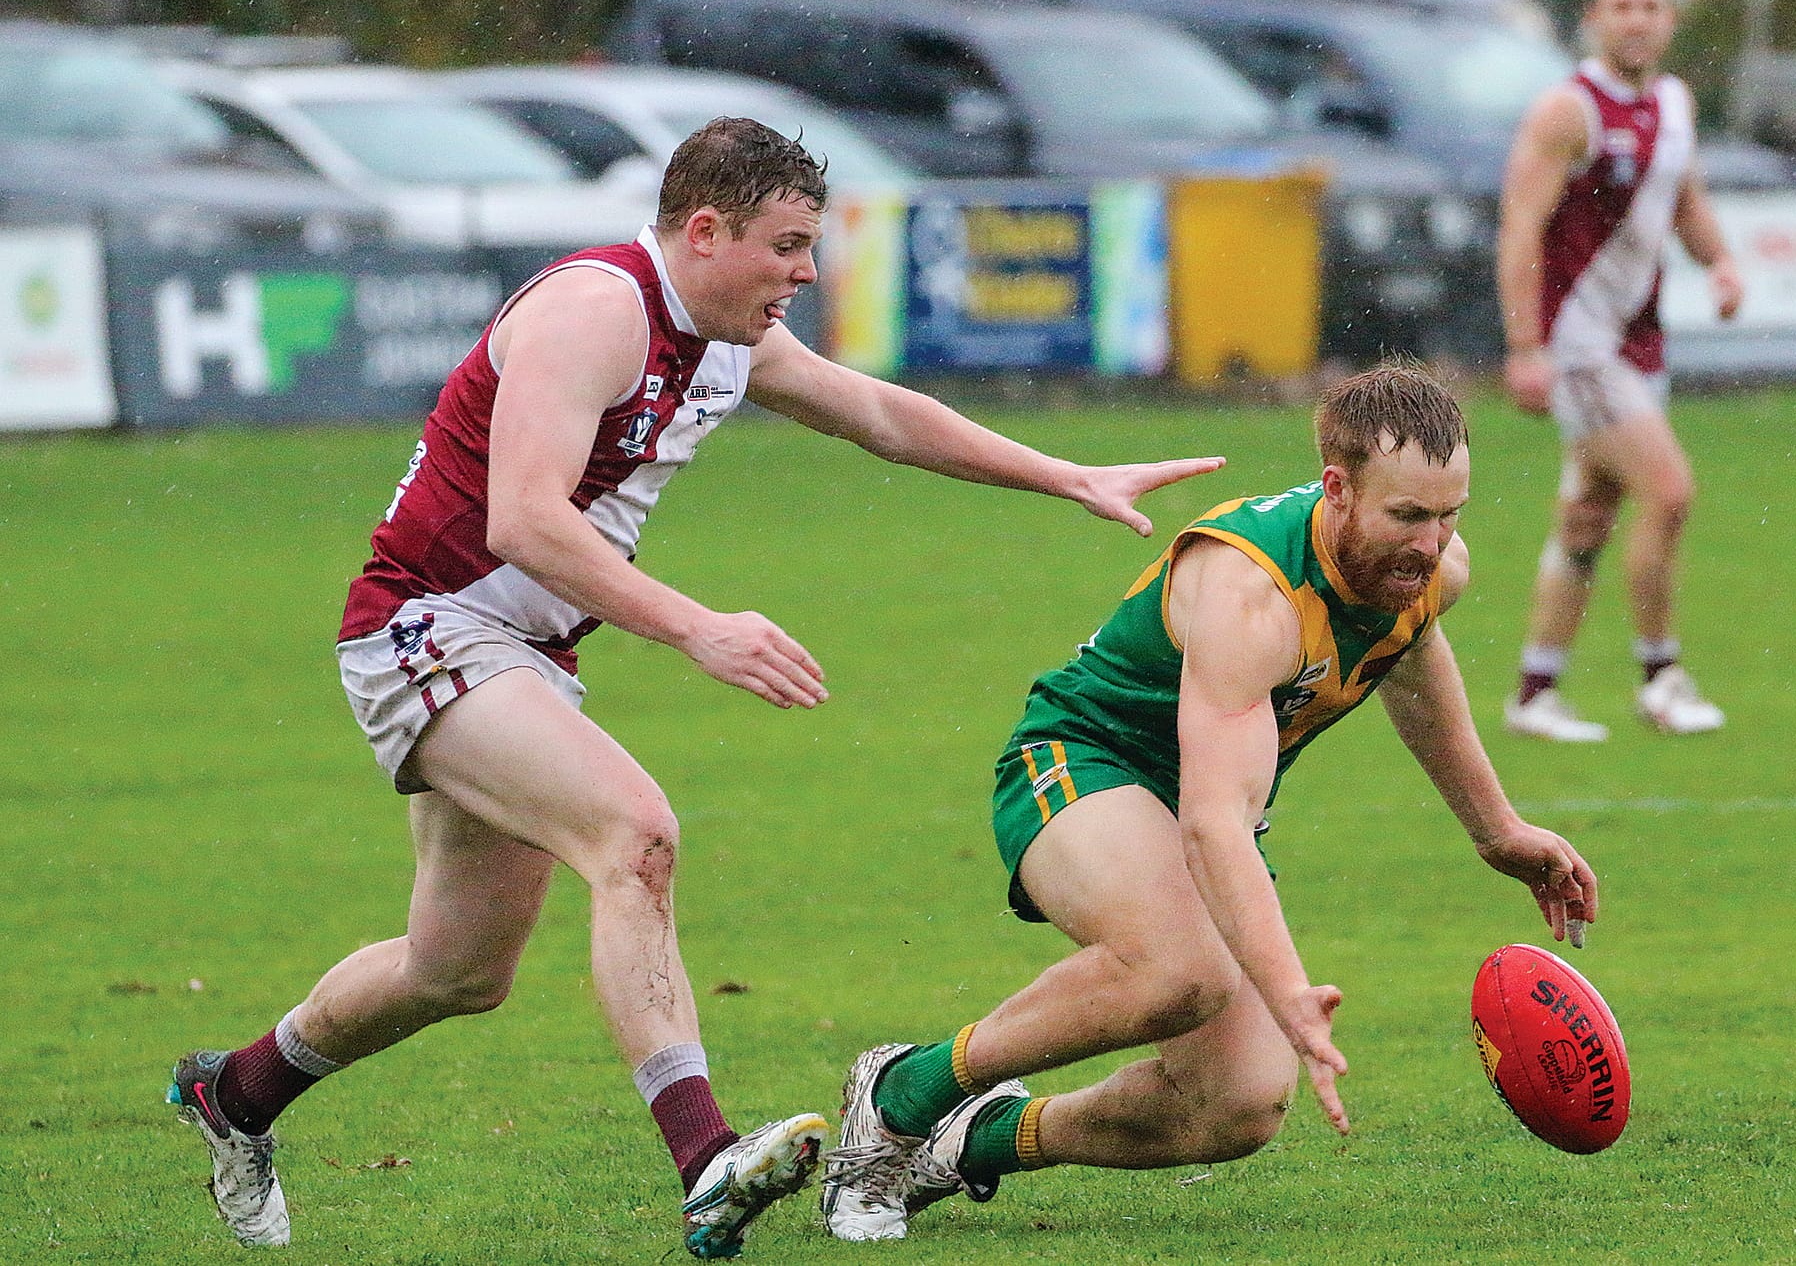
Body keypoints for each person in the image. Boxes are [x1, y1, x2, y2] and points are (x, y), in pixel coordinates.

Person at [167, 118, 1225, 1259]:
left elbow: (877, 413)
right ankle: (706, 1158)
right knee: (636, 836)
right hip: (428, 627)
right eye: (787, 245)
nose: (806, 273)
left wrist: (1064, 474)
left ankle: (237, 1091)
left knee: (454, 971)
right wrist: (698, 628)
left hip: (519, 651)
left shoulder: (725, 333)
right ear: (706, 231)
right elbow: (520, 518)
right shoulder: (595, 311)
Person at [819, 361, 1598, 1242]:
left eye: (1450, 511)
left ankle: (974, 1143)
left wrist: (1497, 829)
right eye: (1408, 515)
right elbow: (1215, 819)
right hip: (1085, 759)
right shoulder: (1250, 595)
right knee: (1179, 970)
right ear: (1336, 489)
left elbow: (1410, 659)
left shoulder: (1426, 571)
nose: (1433, 541)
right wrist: (1290, 987)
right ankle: (899, 1096)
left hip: (1196, 793)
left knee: (1238, 1105)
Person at [1494, 0, 1745, 744]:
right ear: (1594, 19)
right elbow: (1520, 226)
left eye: (1651, 5)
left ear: (1669, 20)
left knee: (1588, 516)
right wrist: (1526, 345)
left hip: (1637, 344)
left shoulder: (1674, 103)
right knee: (1668, 490)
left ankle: (1536, 690)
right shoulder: (1568, 111)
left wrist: (1723, 262)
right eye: (1622, 5)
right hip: (1578, 346)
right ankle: (1660, 677)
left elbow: (1687, 200)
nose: (1637, 19)